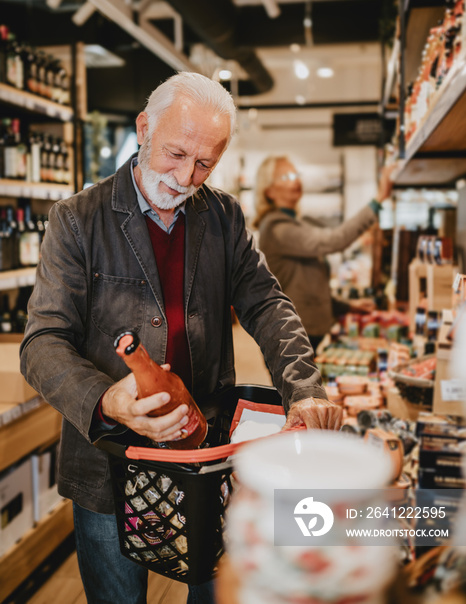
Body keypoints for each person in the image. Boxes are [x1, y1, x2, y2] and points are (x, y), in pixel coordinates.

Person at [20, 72, 342, 604]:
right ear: (144, 128)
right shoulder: (78, 220)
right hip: (110, 463)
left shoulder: (223, 218)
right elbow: (43, 342)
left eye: (205, 163)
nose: (187, 175)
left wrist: (304, 388)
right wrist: (106, 399)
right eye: (175, 153)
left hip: (208, 456)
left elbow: (267, 304)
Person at [253, 155, 394, 351]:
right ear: (269, 191)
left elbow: (307, 289)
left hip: (304, 332)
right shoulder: (278, 229)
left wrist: (349, 306)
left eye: (296, 174)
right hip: (290, 336)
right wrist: (378, 200)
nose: (296, 180)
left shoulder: (297, 224)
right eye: (285, 177)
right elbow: (334, 240)